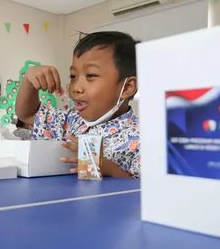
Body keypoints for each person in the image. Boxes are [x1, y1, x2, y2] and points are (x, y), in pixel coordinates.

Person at [16, 31, 140, 178]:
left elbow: (148, 190)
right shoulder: (70, 120)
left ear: (127, 88)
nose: (76, 87)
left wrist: (109, 169)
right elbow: (27, 114)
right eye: (73, 76)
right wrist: (29, 81)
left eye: (91, 75)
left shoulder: (141, 138)